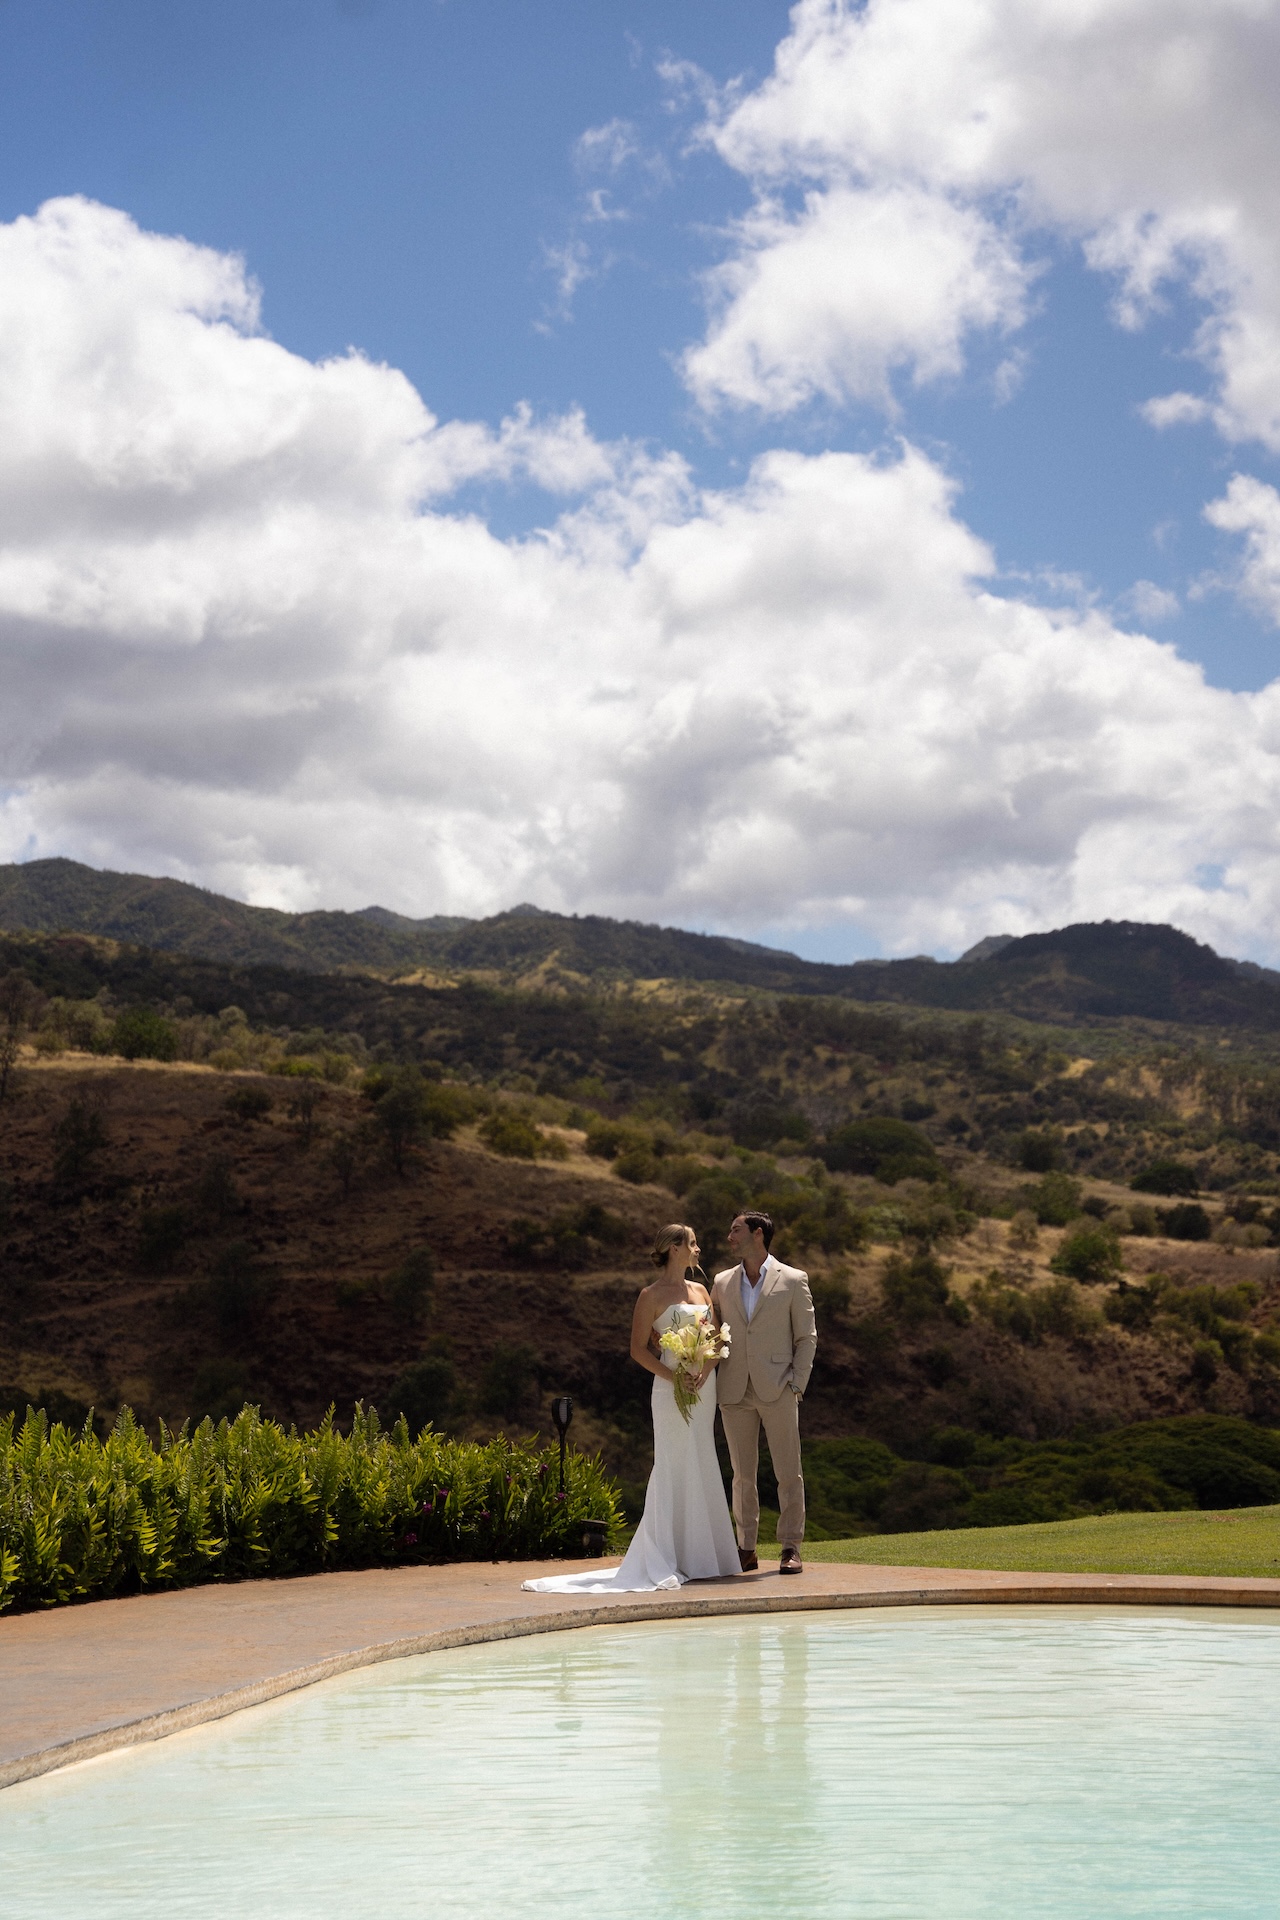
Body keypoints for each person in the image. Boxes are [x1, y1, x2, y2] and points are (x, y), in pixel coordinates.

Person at [522, 1223, 741, 1593]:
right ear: (674, 1248)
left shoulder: (702, 1290)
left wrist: (702, 1371)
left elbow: (718, 1340)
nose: (698, 1249)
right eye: (692, 1243)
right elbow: (638, 1349)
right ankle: (667, 1555)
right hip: (670, 1388)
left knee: (702, 1458)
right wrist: (675, 1377)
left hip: (703, 1388)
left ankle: (704, 1557)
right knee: (673, 1461)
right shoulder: (650, 1295)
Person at [712, 1210, 816, 1575]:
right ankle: (746, 1548)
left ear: (757, 1234)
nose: (730, 1236)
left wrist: (796, 1385)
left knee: (789, 1473)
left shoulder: (793, 1279)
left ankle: (790, 1547)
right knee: (742, 1475)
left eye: (735, 1229)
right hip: (734, 1388)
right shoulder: (722, 1281)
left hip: (779, 1389)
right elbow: (712, 1334)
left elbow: (806, 1337)